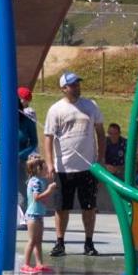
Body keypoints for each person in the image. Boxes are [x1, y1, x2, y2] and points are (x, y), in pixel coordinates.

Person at [42, 71, 106, 257]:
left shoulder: (90, 106)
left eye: (78, 83)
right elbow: (48, 138)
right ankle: (60, 242)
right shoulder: (56, 110)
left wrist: (100, 159)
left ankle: (89, 242)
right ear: (63, 88)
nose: (76, 87)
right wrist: (49, 162)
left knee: (89, 207)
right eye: (72, 85)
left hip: (88, 167)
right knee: (62, 207)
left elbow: (100, 133)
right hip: (64, 167)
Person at [21, 153, 57, 274]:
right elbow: (36, 197)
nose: (47, 170)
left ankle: (39, 263)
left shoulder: (39, 180)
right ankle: (25, 264)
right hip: (32, 215)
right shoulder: (35, 181)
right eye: (45, 168)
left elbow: (41, 198)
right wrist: (49, 190)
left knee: (38, 241)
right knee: (32, 240)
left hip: (38, 215)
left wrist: (47, 192)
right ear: (38, 169)